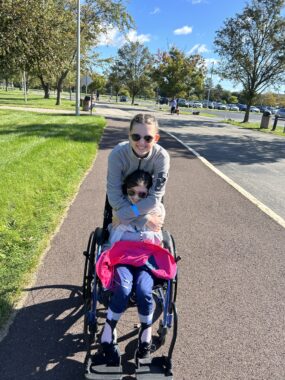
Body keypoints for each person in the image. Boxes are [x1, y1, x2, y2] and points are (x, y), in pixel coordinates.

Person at [99, 170, 166, 364]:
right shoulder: (120, 205)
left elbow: (157, 236)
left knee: (145, 290)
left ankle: (145, 336)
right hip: (122, 255)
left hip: (146, 257)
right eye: (132, 193)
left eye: (142, 194)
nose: (135, 197)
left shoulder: (158, 209)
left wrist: (131, 218)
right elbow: (119, 225)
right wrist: (144, 219)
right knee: (124, 287)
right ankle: (107, 333)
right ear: (126, 191)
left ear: (149, 194)